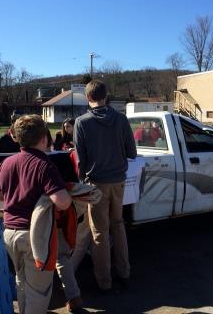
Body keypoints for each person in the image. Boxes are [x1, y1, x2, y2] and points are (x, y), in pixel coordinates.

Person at [0, 115, 74, 314]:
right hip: (34, 236)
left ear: (16, 138)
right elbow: (62, 202)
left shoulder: (7, 163)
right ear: (44, 138)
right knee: (40, 291)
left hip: (10, 233)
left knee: (22, 282)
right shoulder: (44, 165)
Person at [74, 80, 137, 292]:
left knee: (99, 232)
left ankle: (104, 281)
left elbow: (80, 160)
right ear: (106, 95)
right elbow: (132, 153)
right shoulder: (121, 119)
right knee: (118, 225)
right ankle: (125, 272)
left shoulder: (82, 122)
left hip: (96, 183)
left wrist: (83, 181)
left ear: (88, 98)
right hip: (118, 181)